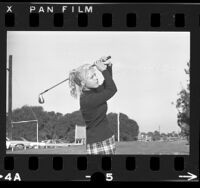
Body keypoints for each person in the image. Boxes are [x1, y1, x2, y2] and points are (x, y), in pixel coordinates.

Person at [68, 57, 117, 154]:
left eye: (95, 75)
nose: (96, 78)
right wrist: (103, 71)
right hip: (99, 144)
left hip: (106, 140)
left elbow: (108, 84)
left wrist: (108, 67)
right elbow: (112, 89)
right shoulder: (88, 100)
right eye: (92, 77)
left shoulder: (92, 92)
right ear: (83, 83)